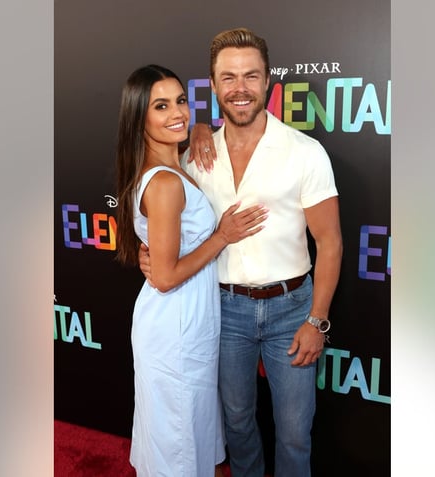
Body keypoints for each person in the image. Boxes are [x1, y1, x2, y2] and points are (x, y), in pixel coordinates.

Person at [142, 28, 343, 477]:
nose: (240, 88)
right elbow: (162, 212)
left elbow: (329, 241)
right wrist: (149, 253)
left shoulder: (304, 152)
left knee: (294, 431)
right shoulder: (192, 154)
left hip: (293, 309)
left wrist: (317, 320)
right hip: (222, 308)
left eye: (250, 76)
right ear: (212, 85)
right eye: (228, 77)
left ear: (268, 81)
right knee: (235, 423)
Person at [114, 64, 268, 477]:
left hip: (186, 321)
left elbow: (164, 263)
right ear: (138, 118)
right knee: (177, 440)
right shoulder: (165, 183)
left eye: (180, 101)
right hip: (174, 327)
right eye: (160, 106)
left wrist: (198, 129)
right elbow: (164, 276)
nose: (177, 112)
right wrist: (222, 236)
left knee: (185, 431)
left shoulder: (175, 167)